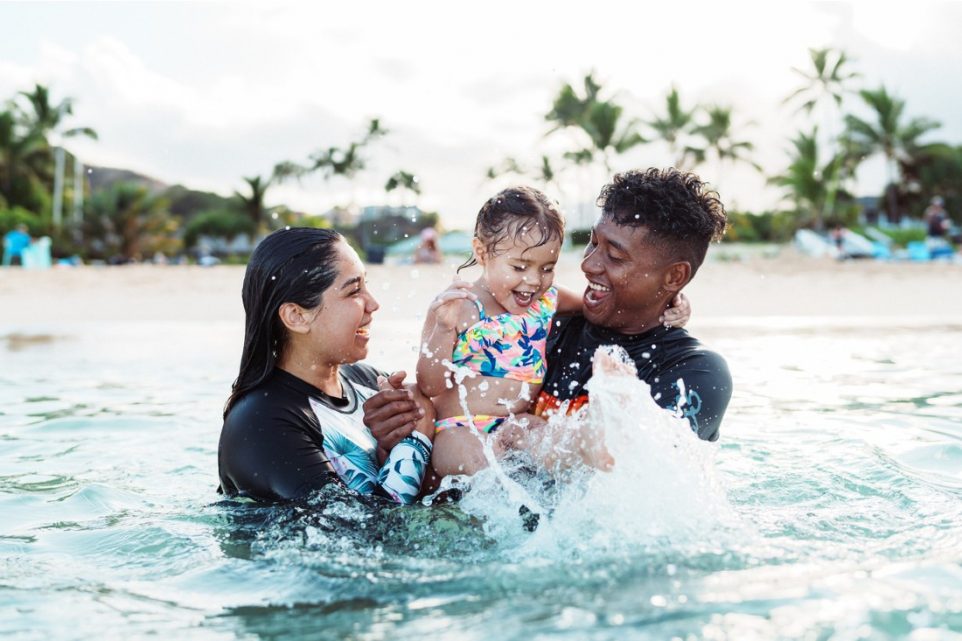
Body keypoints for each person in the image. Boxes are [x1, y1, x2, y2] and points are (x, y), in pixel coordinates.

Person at [416, 186, 690, 479]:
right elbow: (430, 385)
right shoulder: (457, 307)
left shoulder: (547, 301)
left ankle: (591, 441)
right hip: (458, 428)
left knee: (550, 438)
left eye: (547, 268)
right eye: (520, 267)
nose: (534, 281)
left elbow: (596, 305)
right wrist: (443, 328)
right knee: (482, 471)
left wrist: (668, 299)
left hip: (515, 422)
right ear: (482, 252)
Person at [218, 227, 436, 504]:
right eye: (354, 291)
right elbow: (362, 536)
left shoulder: (369, 383)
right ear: (297, 316)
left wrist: (397, 439)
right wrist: (415, 442)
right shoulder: (261, 425)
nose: (373, 304)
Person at [530, 168, 732, 444]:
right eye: (593, 243)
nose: (587, 264)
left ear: (674, 277)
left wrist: (522, 433)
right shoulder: (544, 327)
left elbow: (640, 469)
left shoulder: (696, 373)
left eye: (614, 255)